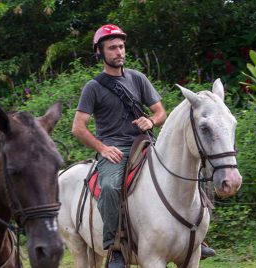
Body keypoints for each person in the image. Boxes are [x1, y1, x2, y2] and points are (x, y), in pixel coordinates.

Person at [72, 24, 214, 268]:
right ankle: (115, 245)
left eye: (121, 46)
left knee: (191, 174)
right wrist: (103, 148)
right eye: (112, 48)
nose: (119, 51)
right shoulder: (93, 88)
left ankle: (196, 236)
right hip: (115, 150)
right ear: (100, 53)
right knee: (110, 186)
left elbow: (160, 112)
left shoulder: (138, 78)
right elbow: (78, 127)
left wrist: (150, 120)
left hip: (146, 143)